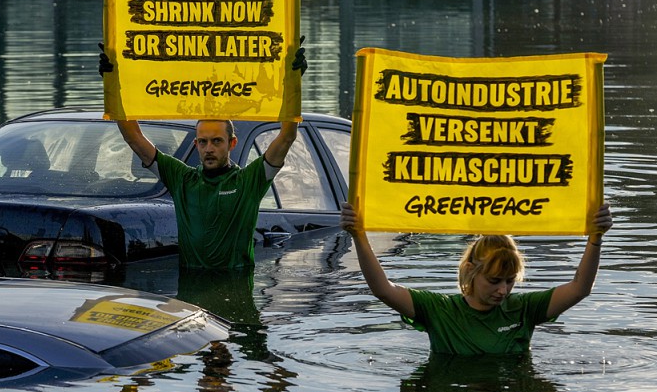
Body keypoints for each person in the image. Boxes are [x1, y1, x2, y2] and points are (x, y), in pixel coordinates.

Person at [100, 40, 307, 269]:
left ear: (232, 143)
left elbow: (287, 136)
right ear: (197, 144)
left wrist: (292, 81)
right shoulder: (182, 179)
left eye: (217, 141)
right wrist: (113, 82)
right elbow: (133, 136)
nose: (209, 148)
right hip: (190, 297)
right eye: (203, 142)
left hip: (236, 297)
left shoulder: (249, 181)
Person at [340, 201, 613, 355]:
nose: (504, 290)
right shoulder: (439, 310)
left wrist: (595, 238)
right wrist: (359, 236)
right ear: (471, 270)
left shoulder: (525, 309)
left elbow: (579, 289)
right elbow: (383, 290)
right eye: (494, 281)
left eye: (510, 280)